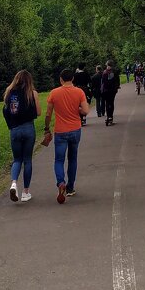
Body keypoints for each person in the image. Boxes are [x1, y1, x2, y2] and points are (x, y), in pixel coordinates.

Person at [44, 68, 89, 203]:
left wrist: (47, 128)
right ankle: (70, 187)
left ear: (61, 79)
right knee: (73, 158)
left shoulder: (54, 93)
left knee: (59, 160)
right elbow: (85, 111)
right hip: (75, 129)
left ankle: (60, 182)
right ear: (73, 79)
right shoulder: (79, 92)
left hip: (61, 131)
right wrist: (77, 109)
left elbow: (48, 114)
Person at [2, 70, 41, 203]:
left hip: (15, 129)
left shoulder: (9, 93)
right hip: (28, 128)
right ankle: (26, 192)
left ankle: (13, 183)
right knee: (27, 160)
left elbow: (5, 111)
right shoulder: (32, 94)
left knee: (17, 159)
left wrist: (11, 125)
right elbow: (39, 112)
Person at [100, 60, 120, 125]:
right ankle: (110, 116)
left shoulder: (104, 72)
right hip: (112, 90)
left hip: (105, 90)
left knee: (107, 103)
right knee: (111, 103)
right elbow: (117, 80)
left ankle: (108, 116)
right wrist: (117, 87)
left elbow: (103, 82)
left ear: (107, 65)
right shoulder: (114, 72)